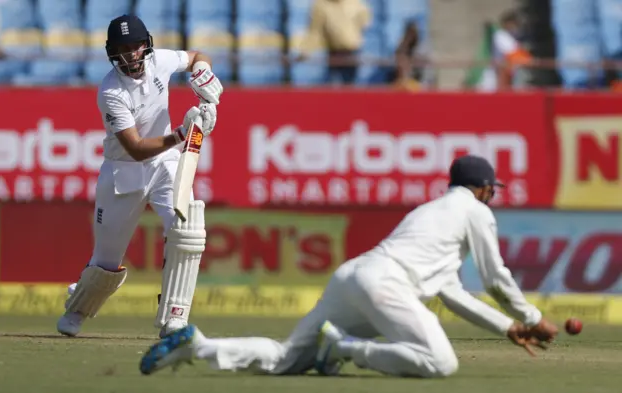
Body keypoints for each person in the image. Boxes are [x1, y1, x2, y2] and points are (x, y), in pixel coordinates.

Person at [138, 154, 559, 377]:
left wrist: (507, 328)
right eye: (492, 190)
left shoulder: (431, 215)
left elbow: (454, 293)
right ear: (484, 188)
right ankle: (341, 348)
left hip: (353, 277)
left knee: (285, 359)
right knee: (441, 364)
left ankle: (198, 346)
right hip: (386, 286)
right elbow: (495, 277)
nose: (492, 196)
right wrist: (533, 317)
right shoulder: (474, 211)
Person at [56, 14, 223, 338]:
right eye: (122, 49)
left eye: (135, 46)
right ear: (111, 53)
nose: (131, 54)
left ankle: (174, 315)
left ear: (146, 45)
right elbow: (135, 148)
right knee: (107, 260)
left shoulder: (160, 60)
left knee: (187, 228)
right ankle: (78, 307)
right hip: (124, 173)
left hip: (166, 166)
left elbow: (197, 56)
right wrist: (180, 134)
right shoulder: (110, 91)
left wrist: (203, 72)